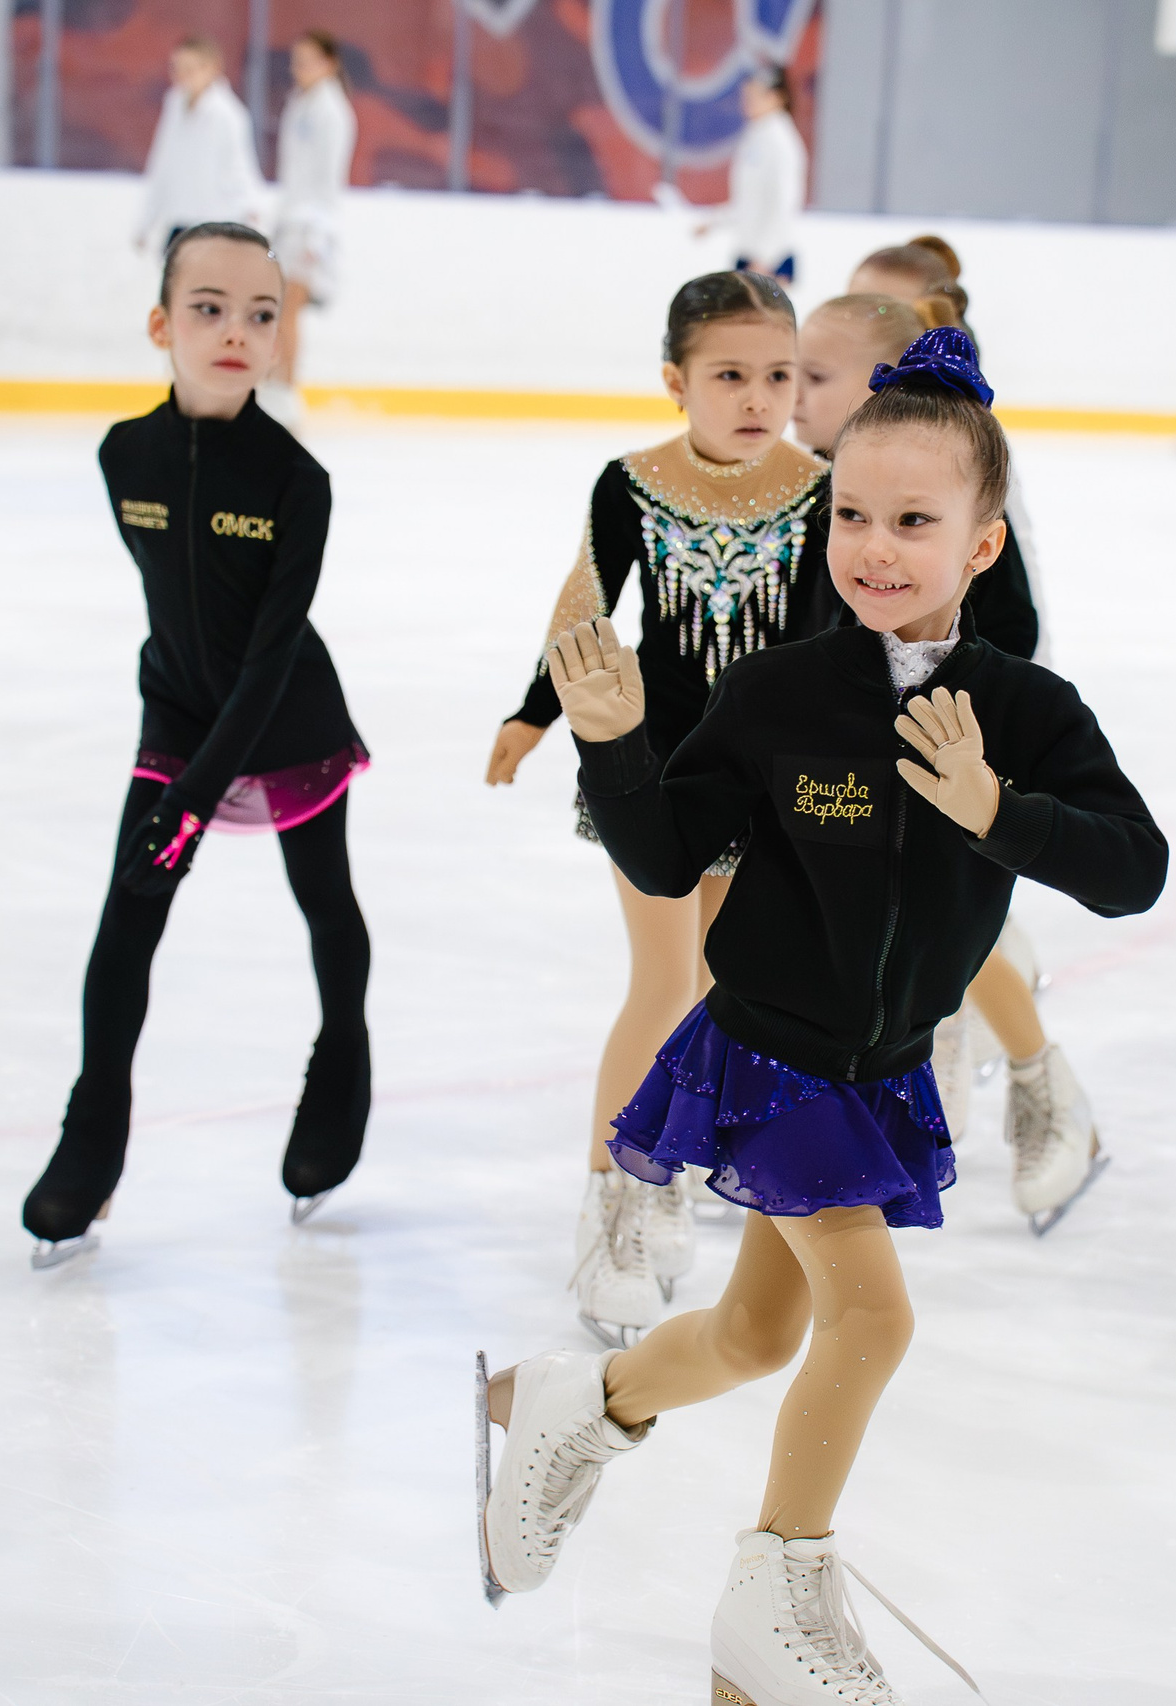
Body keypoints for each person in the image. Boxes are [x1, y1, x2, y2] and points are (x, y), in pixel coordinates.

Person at [478, 330, 1167, 1706]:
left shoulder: (1023, 711)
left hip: (882, 1075)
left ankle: (579, 1406)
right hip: (766, 1057)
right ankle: (778, 1590)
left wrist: (996, 812)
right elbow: (670, 856)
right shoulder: (783, 692)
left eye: (916, 520)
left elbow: (1132, 868)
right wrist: (616, 745)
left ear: (984, 545)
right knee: (871, 1320)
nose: (876, 545)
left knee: (755, 1337)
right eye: (853, 514)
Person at [486, 272, 830, 1347]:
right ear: (677, 380)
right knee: (664, 979)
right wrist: (535, 712)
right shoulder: (629, 482)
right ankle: (616, 1205)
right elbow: (585, 606)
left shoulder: (822, 485)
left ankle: (670, 1170)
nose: (756, 397)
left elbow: (839, 628)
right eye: (729, 374)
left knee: (730, 987)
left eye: (777, 375)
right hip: (651, 773)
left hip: (765, 779)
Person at [20, 224, 372, 1266]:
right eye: (209, 308)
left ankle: (340, 1069)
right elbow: (172, 610)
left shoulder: (295, 481)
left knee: (325, 906)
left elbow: (265, 660)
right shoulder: (120, 454)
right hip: (175, 717)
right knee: (125, 923)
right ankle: (91, 1141)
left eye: (261, 314)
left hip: (287, 720)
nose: (236, 331)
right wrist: (174, 780)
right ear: (159, 324)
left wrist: (194, 796)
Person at [792, 293, 1102, 1231]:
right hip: (839, 745)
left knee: (952, 935)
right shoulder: (828, 490)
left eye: (813, 377)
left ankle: (1042, 1083)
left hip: (948, 750)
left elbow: (1010, 629)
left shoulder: (952, 490)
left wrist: (965, 748)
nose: (789, 393)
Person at [264, 28, 355, 425]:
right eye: (296, 60)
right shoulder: (300, 103)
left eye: (308, 60)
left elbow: (327, 177)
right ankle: (271, 384)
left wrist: (318, 233)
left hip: (312, 225)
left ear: (329, 63)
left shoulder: (331, 110)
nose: (299, 68)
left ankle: (285, 392)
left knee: (288, 311)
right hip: (290, 221)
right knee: (273, 307)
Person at [136, 37, 267, 259]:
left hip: (216, 223)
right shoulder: (175, 104)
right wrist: (146, 221)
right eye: (177, 68)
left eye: (190, 68)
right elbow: (162, 162)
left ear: (212, 68)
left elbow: (240, 165)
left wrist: (252, 208)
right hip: (181, 220)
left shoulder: (228, 114)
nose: (183, 75)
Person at [709, 65, 807, 282]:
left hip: (769, 259)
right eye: (747, 96)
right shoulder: (755, 135)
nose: (747, 103)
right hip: (749, 252)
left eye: (755, 96)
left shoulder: (781, 141)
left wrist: (765, 257)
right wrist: (714, 221)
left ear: (777, 98)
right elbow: (748, 199)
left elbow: (785, 203)